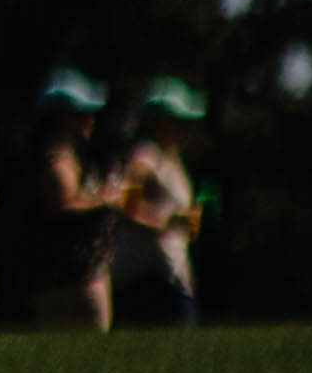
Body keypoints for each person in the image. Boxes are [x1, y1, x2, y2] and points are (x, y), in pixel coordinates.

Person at [24, 68, 119, 331]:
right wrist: (105, 200)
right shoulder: (59, 156)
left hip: (61, 278)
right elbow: (65, 203)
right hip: (76, 279)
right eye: (83, 111)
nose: (91, 118)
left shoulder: (60, 154)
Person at [106, 79, 205, 328]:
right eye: (180, 122)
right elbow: (125, 203)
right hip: (148, 279)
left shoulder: (172, 159)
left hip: (171, 274)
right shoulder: (145, 157)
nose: (187, 129)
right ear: (160, 122)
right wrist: (167, 222)